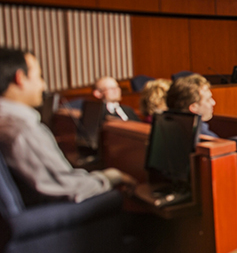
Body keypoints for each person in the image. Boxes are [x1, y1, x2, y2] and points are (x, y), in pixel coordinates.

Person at [0, 48, 135, 205]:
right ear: (20, 78)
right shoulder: (21, 129)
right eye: (39, 77)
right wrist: (111, 177)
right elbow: (68, 188)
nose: (43, 86)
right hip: (56, 217)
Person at [166, 73, 218, 137]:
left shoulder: (163, 131)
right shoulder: (208, 138)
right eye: (208, 99)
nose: (213, 102)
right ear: (193, 107)